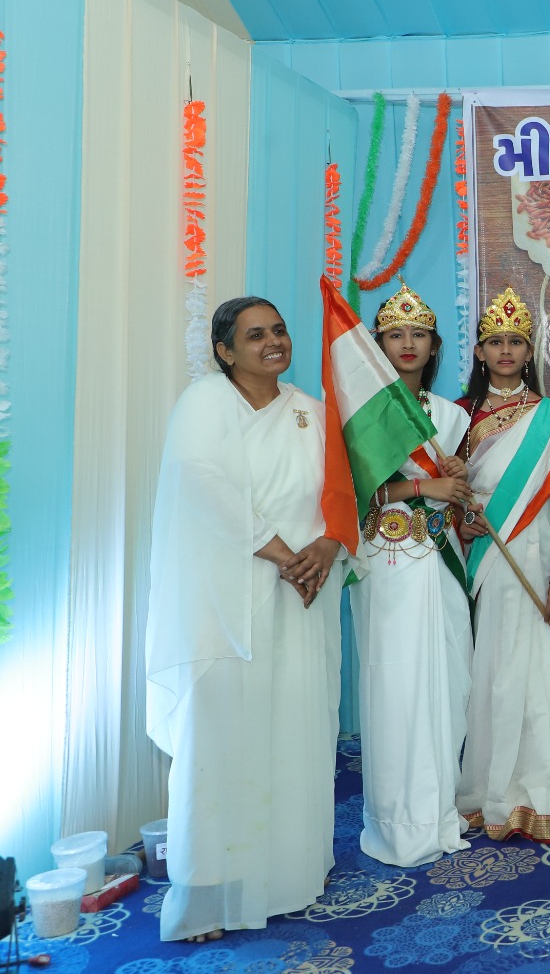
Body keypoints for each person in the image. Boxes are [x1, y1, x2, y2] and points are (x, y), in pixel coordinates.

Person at [146, 297, 344, 942]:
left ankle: (289, 875)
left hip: (301, 596)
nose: (273, 342)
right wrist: (283, 552)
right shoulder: (205, 403)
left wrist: (325, 548)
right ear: (225, 351)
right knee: (220, 744)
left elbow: (341, 494)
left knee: (295, 730)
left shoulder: (310, 412)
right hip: (224, 601)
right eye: (255, 335)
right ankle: (209, 895)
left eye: (279, 330)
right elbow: (204, 486)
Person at [454, 288, 550, 842]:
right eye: (496, 342)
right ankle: (492, 792)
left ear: (529, 350)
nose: (506, 351)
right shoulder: (460, 415)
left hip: (534, 554)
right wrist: (462, 525)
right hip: (488, 557)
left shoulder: (549, 417)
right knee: (493, 671)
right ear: (480, 352)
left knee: (537, 670)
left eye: (516, 341)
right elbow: (453, 495)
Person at [350, 283, 477, 866]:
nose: (408, 343)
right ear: (378, 345)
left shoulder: (451, 416)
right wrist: (425, 484)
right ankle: (400, 819)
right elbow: (356, 491)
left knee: (448, 679)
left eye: (418, 334)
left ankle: (439, 807)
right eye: (396, 335)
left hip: (441, 558)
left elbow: (458, 497)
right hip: (389, 560)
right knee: (397, 683)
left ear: (434, 345)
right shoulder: (364, 411)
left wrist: (457, 482)